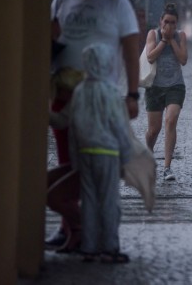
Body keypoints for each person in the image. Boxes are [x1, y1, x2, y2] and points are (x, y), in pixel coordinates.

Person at [48, 0, 140, 250]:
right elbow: (49, 45)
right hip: (65, 93)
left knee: (86, 168)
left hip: (102, 97)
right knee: (68, 161)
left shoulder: (116, 3)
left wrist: (133, 94)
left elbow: (130, 51)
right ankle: (71, 227)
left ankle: (91, 231)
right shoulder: (62, 1)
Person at [68, 43, 134, 263]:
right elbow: (120, 127)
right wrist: (127, 157)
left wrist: (74, 157)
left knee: (88, 201)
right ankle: (109, 247)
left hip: (85, 151)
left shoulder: (79, 90)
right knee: (108, 200)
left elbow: (72, 125)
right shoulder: (111, 92)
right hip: (108, 152)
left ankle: (89, 246)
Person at [143, 3, 188, 181]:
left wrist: (171, 41)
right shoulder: (152, 34)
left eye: (173, 22)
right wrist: (163, 40)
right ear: (160, 21)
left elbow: (183, 59)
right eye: (166, 21)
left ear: (177, 24)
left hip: (175, 86)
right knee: (154, 130)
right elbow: (150, 56)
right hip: (154, 87)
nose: (169, 25)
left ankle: (167, 167)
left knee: (170, 121)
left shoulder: (181, 36)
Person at [46, 67, 85, 252]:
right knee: (44, 184)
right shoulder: (74, 102)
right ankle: (78, 231)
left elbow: (60, 120)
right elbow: (60, 120)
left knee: (54, 197)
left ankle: (81, 231)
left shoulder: (79, 102)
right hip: (80, 164)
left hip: (93, 166)